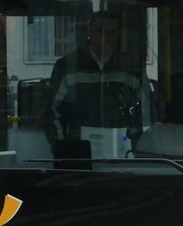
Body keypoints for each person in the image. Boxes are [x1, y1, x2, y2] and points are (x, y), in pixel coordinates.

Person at [45, 9, 144, 154]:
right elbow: (50, 112)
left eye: (112, 32)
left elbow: (146, 114)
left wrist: (137, 146)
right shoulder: (67, 66)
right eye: (101, 31)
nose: (107, 36)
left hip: (123, 151)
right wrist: (62, 147)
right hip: (78, 152)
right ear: (89, 32)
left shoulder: (132, 68)